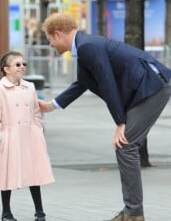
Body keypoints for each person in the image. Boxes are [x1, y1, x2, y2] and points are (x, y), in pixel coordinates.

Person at [39, 13, 171, 221]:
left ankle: (133, 213)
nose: (51, 45)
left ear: (57, 34)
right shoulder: (84, 46)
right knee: (126, 146)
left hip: (152, 86)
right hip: (149, 85)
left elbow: (106, 82)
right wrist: (52, 105)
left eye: (49, 40)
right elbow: (83, 82)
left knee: (125, 144)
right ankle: (132, 211)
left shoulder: (86, 47)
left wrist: (120, 122)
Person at [0, 51, 54, 221]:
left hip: (29, 135)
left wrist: (37, 128)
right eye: (17, 64)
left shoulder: (29, 87)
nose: (22, 67)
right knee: (7, 174)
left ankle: (39, 211)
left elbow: (36, 111)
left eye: (24, 64)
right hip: (9, 135)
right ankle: (6, 212)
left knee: (34, 172)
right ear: (6, 69)